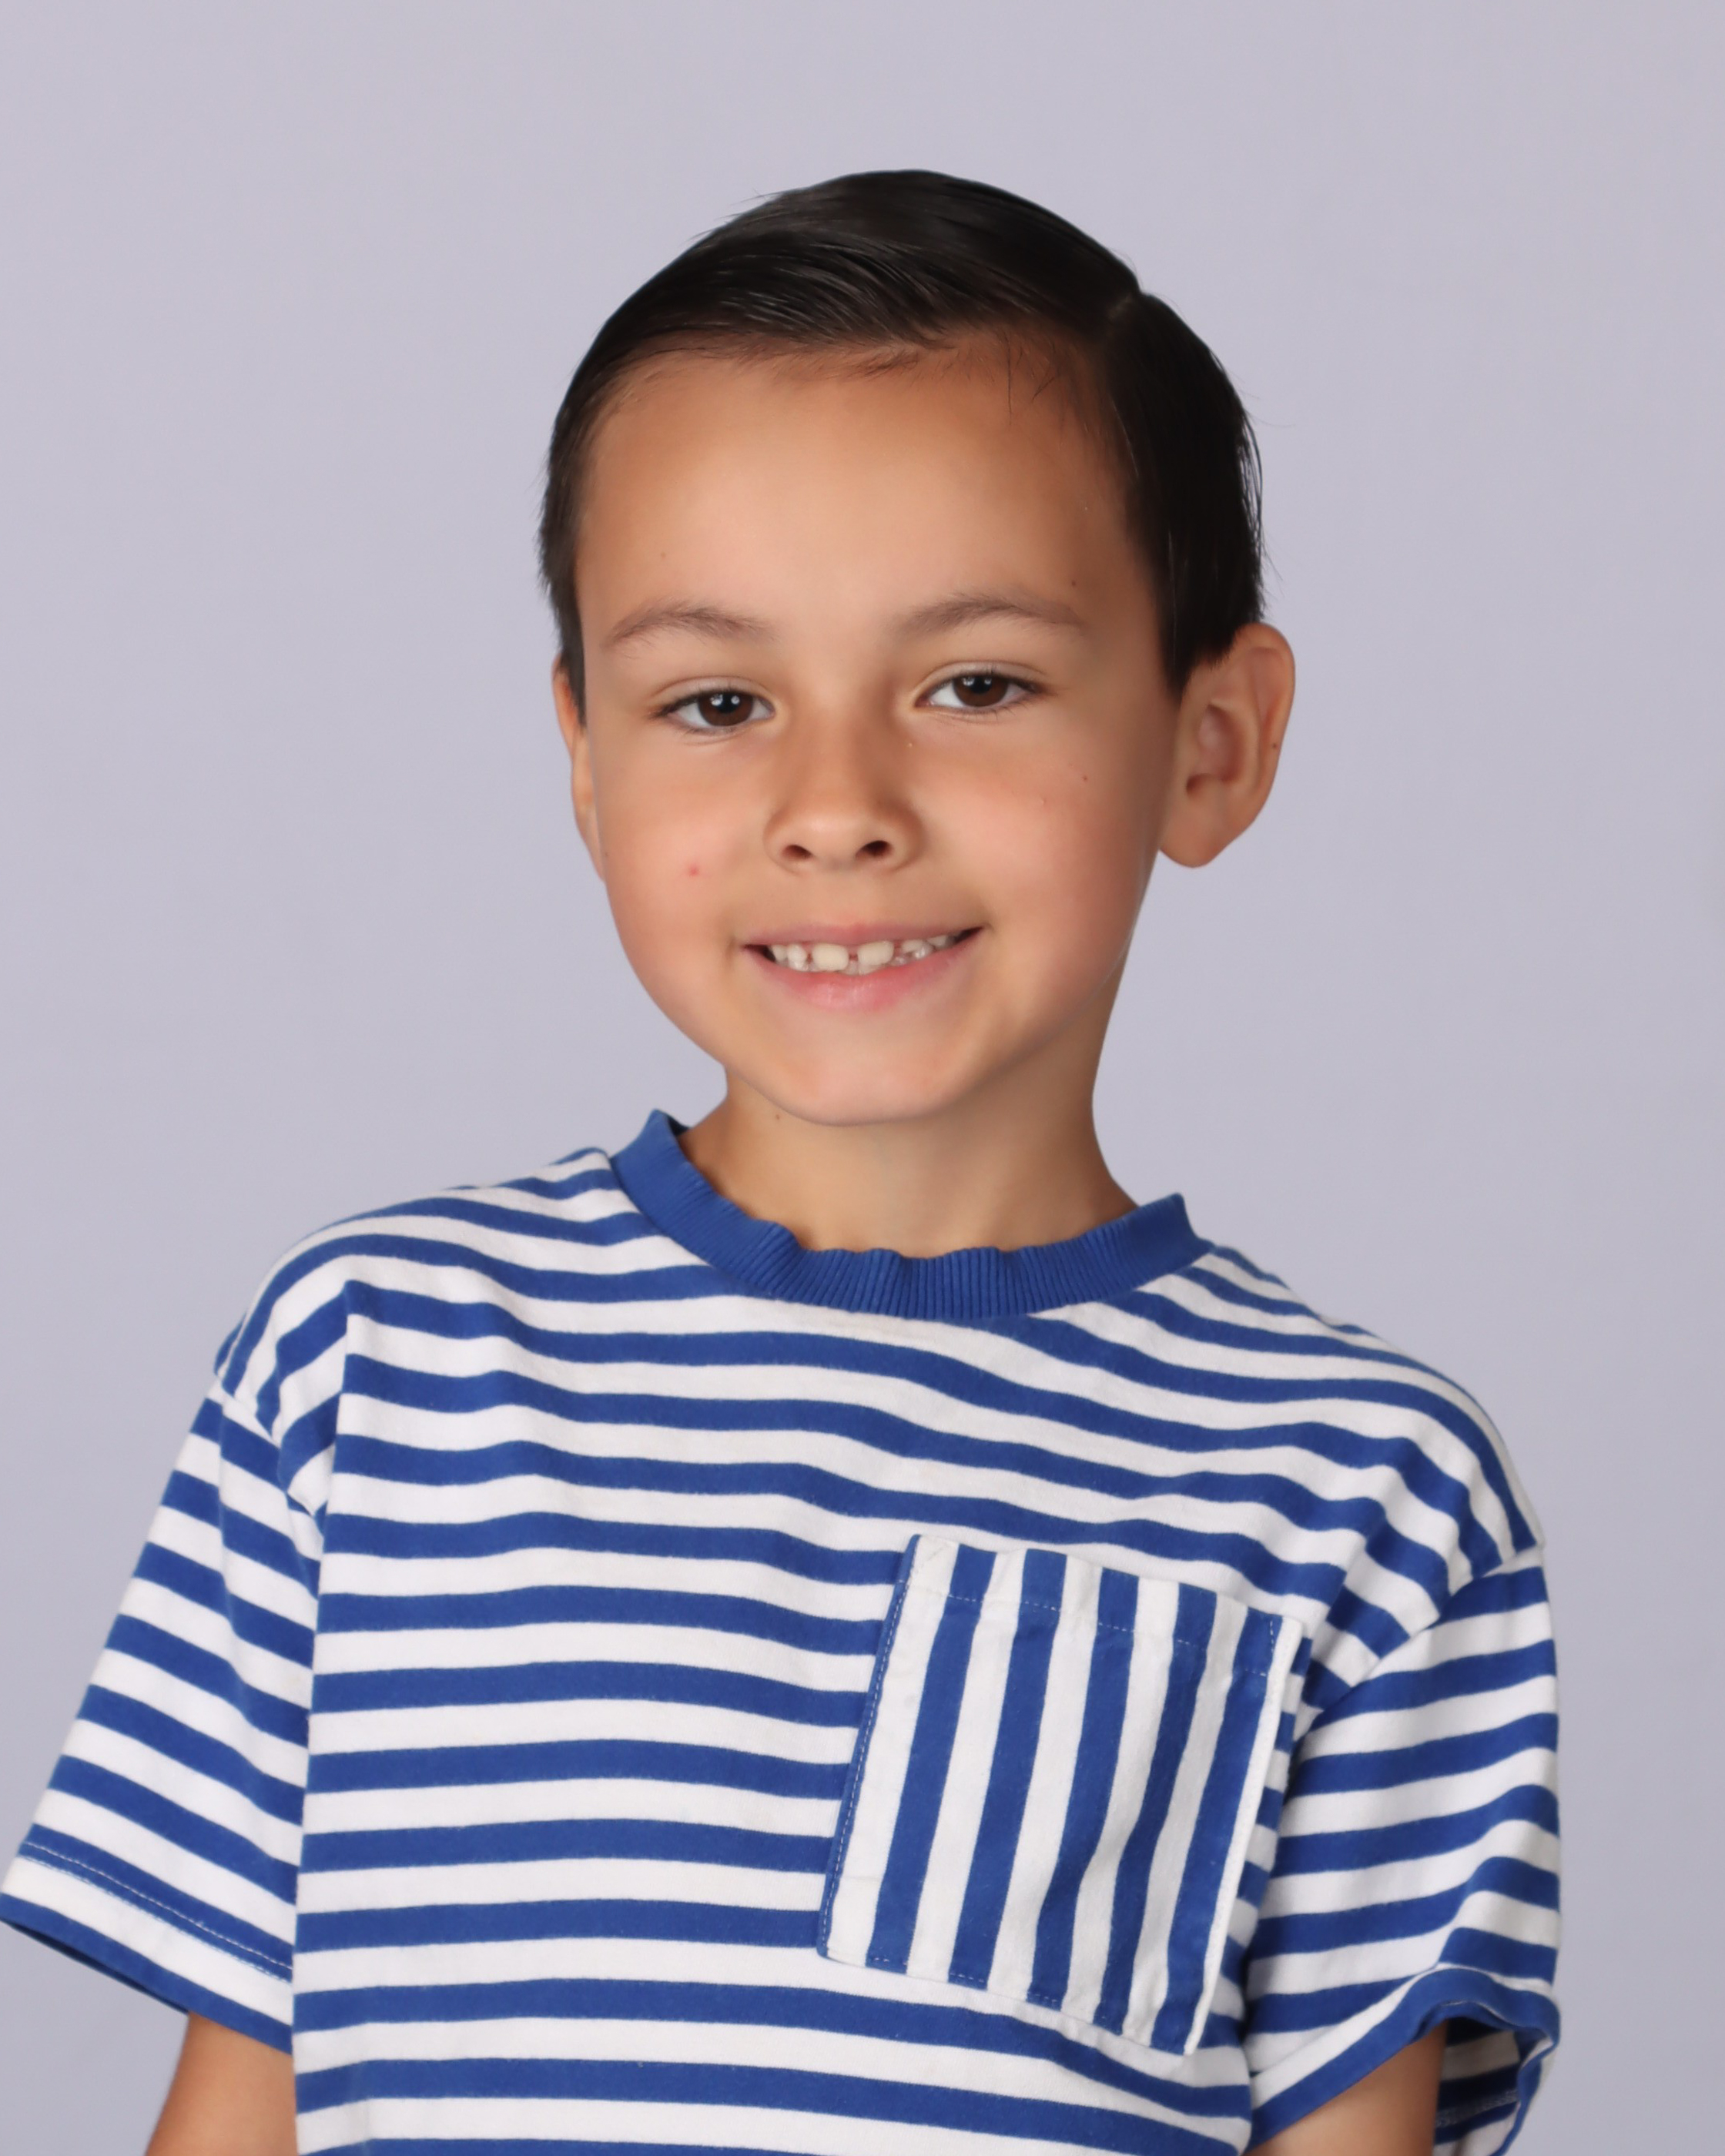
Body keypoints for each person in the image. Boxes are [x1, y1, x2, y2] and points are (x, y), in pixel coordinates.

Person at [1, 170, 1559, 2155]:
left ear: (1214, 739)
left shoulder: (1368, 1492)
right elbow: (244, 2100)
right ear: (586, 759)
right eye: (718, 703)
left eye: (975, 683)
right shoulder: (370, 1368)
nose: (835, 805)